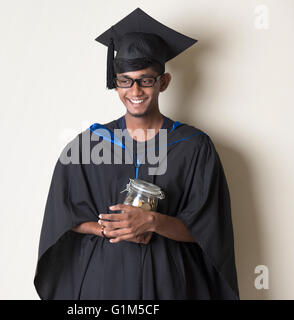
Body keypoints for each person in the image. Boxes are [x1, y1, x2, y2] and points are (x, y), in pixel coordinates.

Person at [33, 7, 239, 300]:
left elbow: (210, 229)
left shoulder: (194, 146)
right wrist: (108, 229)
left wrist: (153, 221)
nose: (136, 90)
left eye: (146, 79)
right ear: (115, 83)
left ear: (163, 82)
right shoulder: (88, 145)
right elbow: (61, 216)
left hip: (171, 282)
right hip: (105, 281)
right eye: (125, 80)